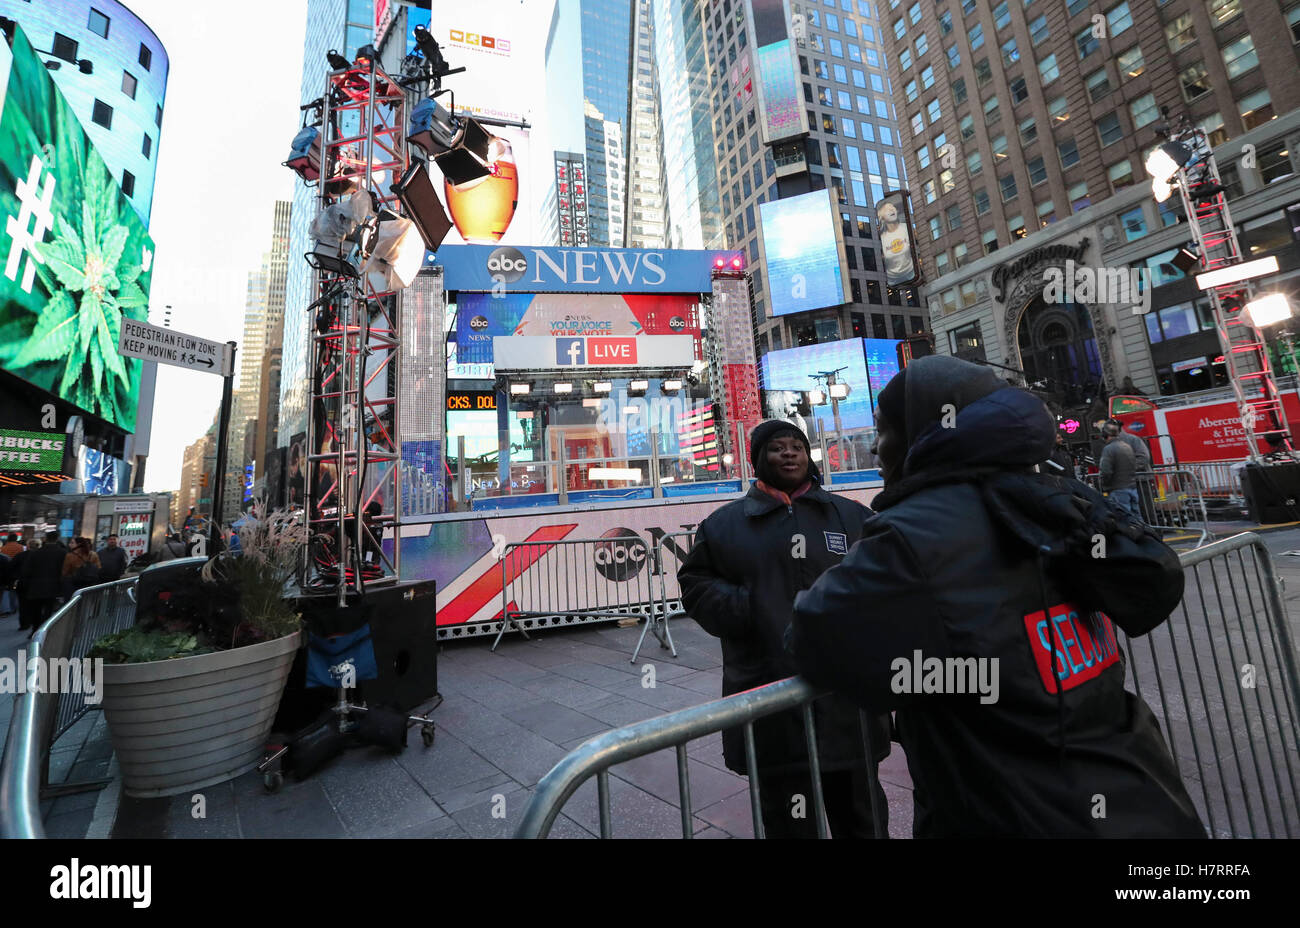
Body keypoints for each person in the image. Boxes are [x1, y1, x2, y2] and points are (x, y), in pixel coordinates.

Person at [788, 355, 1204, 837]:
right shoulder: (1058, 494)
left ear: (921, 429)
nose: (878, 449)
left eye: (883, 430)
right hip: (1142, 792)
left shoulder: (917, 529)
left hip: (1011, 811)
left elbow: (813, 635)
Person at [678, 420, 891, 839]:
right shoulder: (723, 526)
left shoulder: (851, 516)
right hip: (770, 702)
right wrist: (748, 608)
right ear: (759, 458)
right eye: (778, 447)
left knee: (862, 820)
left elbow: (886, 579)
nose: (790, 454)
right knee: (790, 823)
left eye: (797, 446)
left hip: (848, 706)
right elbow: (696, 586)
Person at [20, 531, 67, 638]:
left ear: (45, 539)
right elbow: (64, 570)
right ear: (57, 539)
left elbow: (26, 571)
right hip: (53, 586)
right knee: (48, 610)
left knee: (35, 610)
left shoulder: (35, 553)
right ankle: (45, 630)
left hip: (35, 586)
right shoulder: (62, 553)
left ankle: (35, 629)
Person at [1100, 422, 1139, 516]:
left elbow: (1106, 471)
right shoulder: (1127, 446)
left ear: (1105, 434)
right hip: (1132, 487)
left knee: (1124, 518)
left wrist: (1104, 485)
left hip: (1117, 489)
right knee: (1136, 517)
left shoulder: (1108, 449)